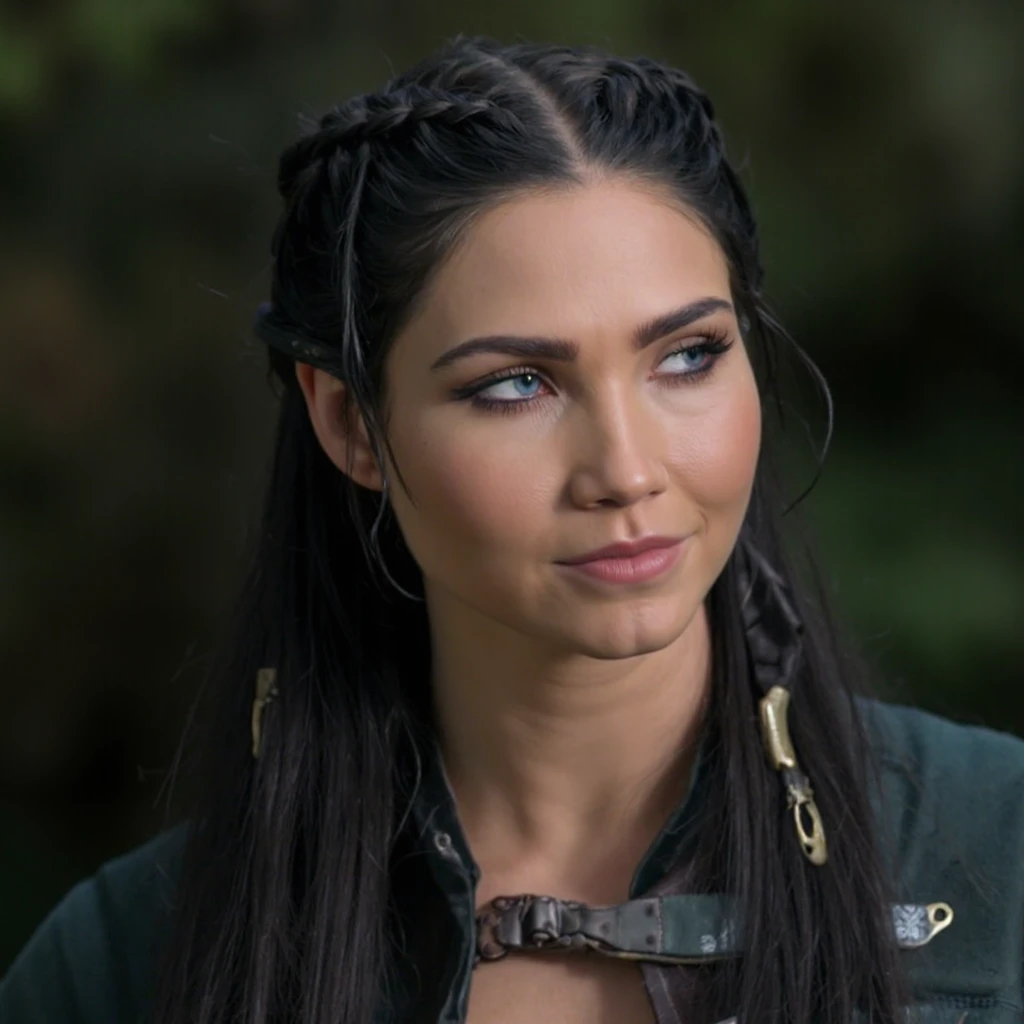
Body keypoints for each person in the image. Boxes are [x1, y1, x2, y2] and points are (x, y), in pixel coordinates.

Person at [2, 33, 1023, 1024]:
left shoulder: (997, 856)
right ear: (351, 422)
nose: (625, 469)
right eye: (517, 384)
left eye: (686, 356)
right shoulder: (128, 958)